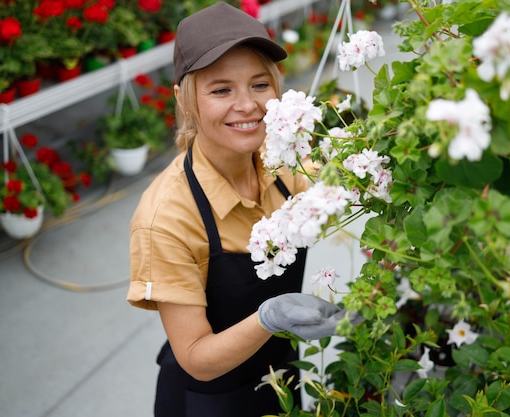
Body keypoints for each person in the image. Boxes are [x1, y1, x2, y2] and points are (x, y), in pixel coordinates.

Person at [126, 3, 349, 416]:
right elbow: (195, 356)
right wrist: (270, 316)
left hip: (281, 376)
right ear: (185, 99)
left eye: (260, 84)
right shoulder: (166, 217)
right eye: (221, 89)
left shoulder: (282, 163)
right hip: (211, 398)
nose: (247, 105)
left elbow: (345, 187)